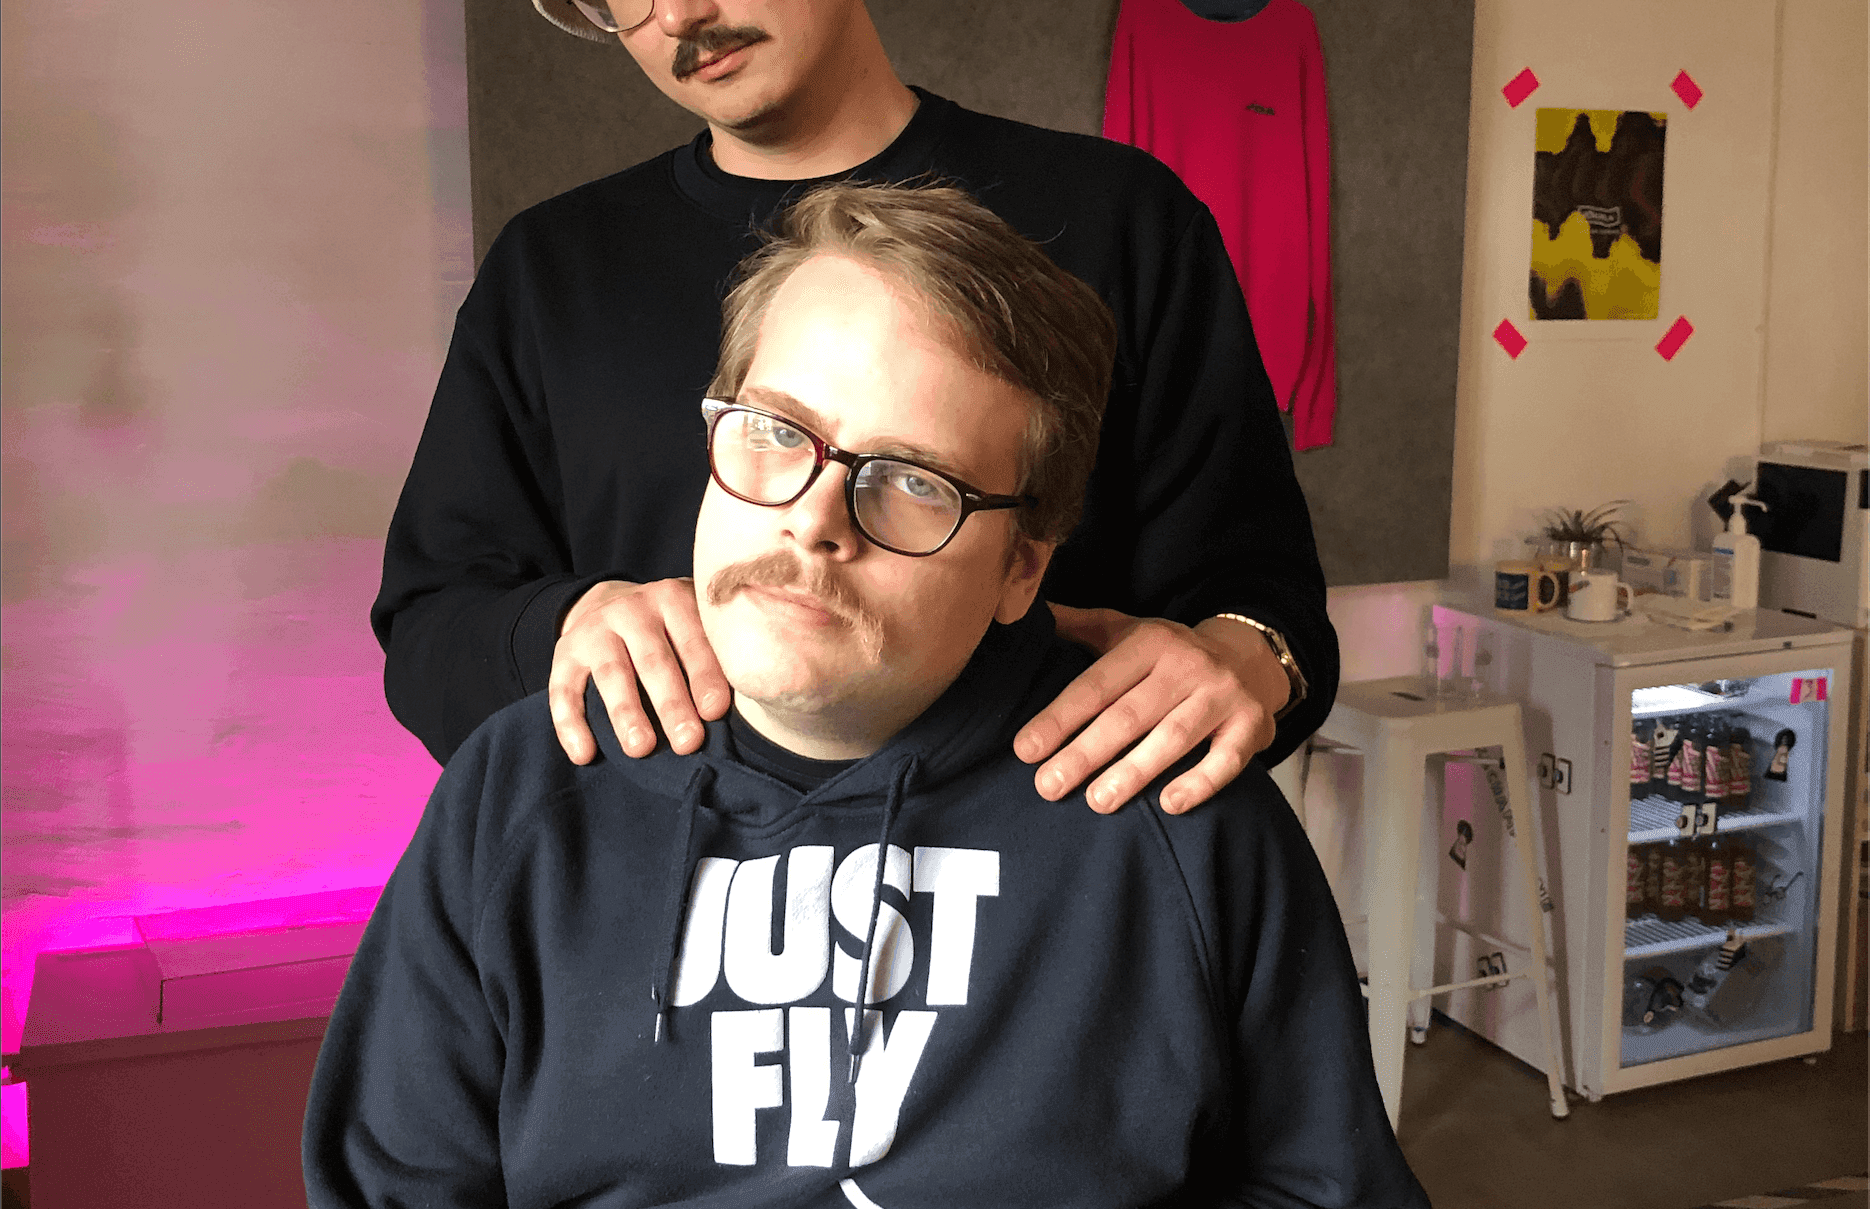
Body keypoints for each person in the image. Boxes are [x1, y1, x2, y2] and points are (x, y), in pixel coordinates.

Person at [309, 183, 1426, 1208]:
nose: (813, 519)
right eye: (774, 432)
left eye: (912, 481)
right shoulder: (519, 796)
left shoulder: (1173, 815)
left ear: (1023, 568)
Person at [374, 0, 1339, 817]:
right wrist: (559, 626)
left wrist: (1240, 658)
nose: (676, 8)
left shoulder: (1121, 218)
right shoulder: (552, 271)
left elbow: (1266, 604)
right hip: (659, 891)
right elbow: (431, 626)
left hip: (1046, 884)